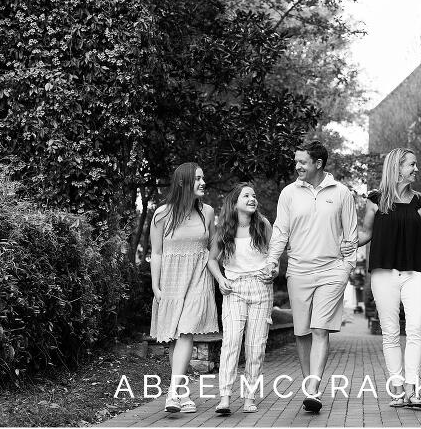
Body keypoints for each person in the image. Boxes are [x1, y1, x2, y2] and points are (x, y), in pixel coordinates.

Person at [263, 140, 358, 413]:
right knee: (302, 332)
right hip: (299, 271)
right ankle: (310, 385)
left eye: (303, 162)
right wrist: (272, 262)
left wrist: (346, 269)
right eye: (296, 161)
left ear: (318, 164)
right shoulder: (289, 193)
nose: (297, 166)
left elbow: (350, 236)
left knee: (319, 329)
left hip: (331, 271)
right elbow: (281, 231)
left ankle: (313, 390)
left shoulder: (341, 193)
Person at [344, 148, 421, 410]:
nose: (416, 169)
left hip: (415, 274)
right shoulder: (375, 199)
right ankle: (397, 389)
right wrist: (346, 244)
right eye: (412, 164)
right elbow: (365, 234)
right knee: (390, 333)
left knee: (415, 330)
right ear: (397, 168)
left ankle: (413, 389)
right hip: (383, 274)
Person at [149, 162, 219, 414]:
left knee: (186, 331)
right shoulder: (162, 214)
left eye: (203, 178)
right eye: (197, 179)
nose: (202, 183)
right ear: (183, 183)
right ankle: (183, 393)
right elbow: (156, 253)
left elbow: (214, 245)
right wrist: (155, 286)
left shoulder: (208, 212)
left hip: (198, 278)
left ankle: (171, 393)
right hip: (171, 279)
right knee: (174, 336)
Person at [206, 183, 274, 415]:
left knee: (256, 347)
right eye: (246, 195)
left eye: (254, 195)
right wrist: (220, 279)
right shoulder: (224, 228)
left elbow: (273, 257)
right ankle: (225, 398)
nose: (252, 199)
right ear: (234, 202)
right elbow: (212, 260)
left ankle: (249, 398)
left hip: (260, 289)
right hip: (233, 290)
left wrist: (272, 271)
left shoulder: (263, 225)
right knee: (231, 343)